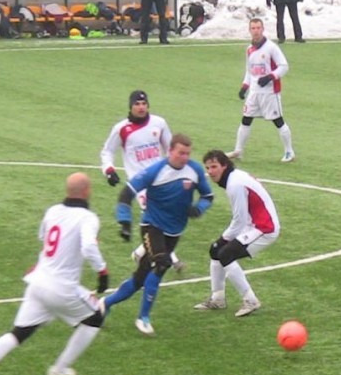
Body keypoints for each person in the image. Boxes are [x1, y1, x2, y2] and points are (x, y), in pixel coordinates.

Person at [0, 172, 109, 375]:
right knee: (96, 317)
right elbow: (89, 246)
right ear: (87, 191)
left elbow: (45, 239)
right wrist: (102, 272)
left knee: (17, 334)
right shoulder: (88, 218)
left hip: (38, 283)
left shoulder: (52, 211)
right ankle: (60, 368)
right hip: (62, 288)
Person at [100, 134, 214, 336]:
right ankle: (143, 318)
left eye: (188, 153)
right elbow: (126, 194)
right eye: (181, 153)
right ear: (170, 151)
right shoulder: (155, 171)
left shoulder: (194, 170)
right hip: (152, 226)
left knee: (140, 278)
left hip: (175, 231)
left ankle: (104, 304)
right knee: (162, 264)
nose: (185, 157)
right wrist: (125, 221)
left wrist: (199, 209)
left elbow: (208, 196)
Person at [99, 90, 186, 272]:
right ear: (130, 106)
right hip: (139, 182)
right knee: (156, 216)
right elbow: (107, 151)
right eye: (137, 104)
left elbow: (170, 149)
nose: (141, 107)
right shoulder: (122, 129)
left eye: (144, 104)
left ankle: (140, 253)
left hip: (161, 178)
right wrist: (109, 169)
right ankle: (171, 257)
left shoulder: (159, 123)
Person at [195, 150, 279, 317]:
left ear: (224, 166)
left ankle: (250, 300)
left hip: (264, 228)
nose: (210, 172)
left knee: (225, 253)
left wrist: (224, 238)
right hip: (253, 225)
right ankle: (217, 298)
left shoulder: (234, 184)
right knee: (215, 251)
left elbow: (239, 220)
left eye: (214, 167)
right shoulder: (235, 177)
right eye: (208, 168)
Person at [227, 18, 296, 163]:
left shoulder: (271, 47)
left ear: (263, 29)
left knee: (278, 121)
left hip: (270, 93)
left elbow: (284, 66)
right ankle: (238, 151)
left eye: (258, 28)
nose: (256, 31)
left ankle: (289, 152)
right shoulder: (249, 49)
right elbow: (249, 70)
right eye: (253, 28)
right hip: (254, 92)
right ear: (249, 30)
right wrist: (244, 86)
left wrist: (270, 77)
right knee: (246, 119)